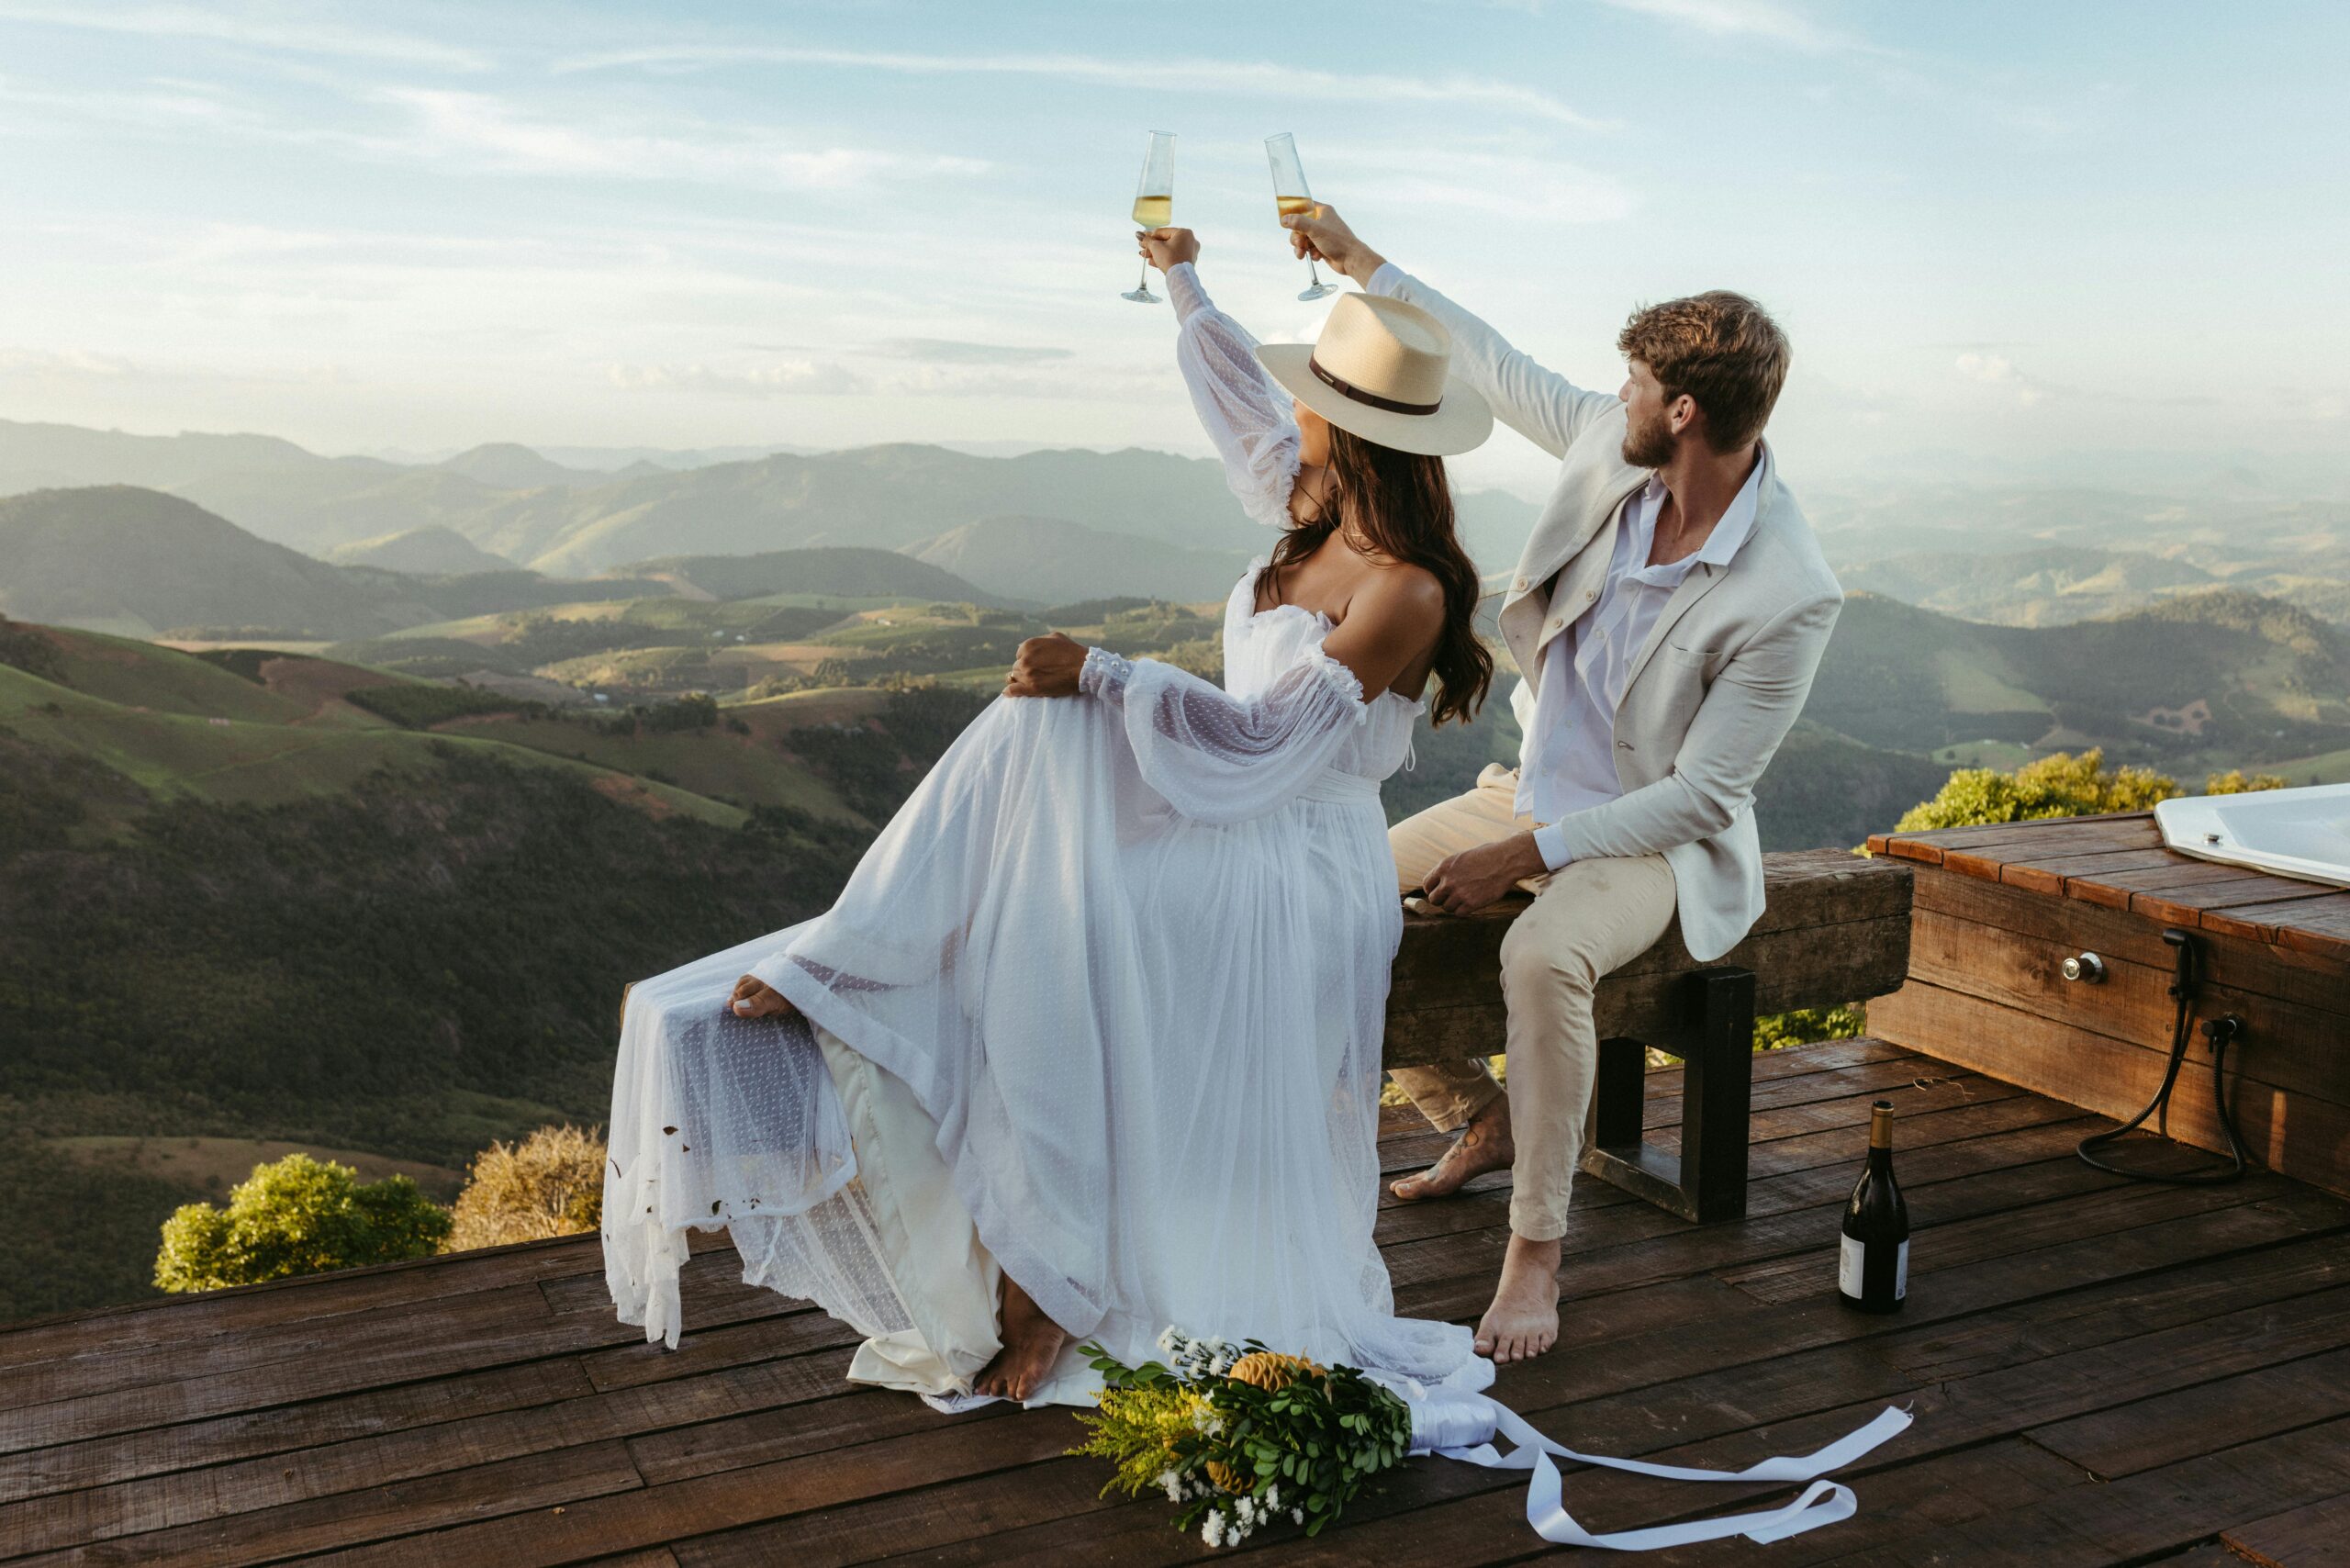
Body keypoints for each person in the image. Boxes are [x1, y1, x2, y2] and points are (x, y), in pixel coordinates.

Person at [601, 223, 1501, 1408]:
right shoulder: (1309, 497)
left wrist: (1113, 677)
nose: (1292, 409)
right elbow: (1234, 393)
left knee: (1049, 830)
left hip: (1290, 854)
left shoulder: (1407, 589)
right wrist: (1181, 277)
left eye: (1311, 395)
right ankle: (885, 990)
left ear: (1357, 427)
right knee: (1036, 804)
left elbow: (1266, 746)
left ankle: (1016, 1233)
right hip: (1222, 818)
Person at [1281, 205, 1843, 1365]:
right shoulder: (1607, 442)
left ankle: (1535, 1252)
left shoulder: (1789, 589)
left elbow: (1701, 794)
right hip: (1524, 791)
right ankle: (1475, 1115)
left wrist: (1520, 859)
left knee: (1538, 958)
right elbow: (1487, 356)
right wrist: (1357, 259)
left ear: (1681, 410)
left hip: (1648, 844)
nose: (1615, 392)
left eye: (1633, 380)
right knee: (1318, 889)